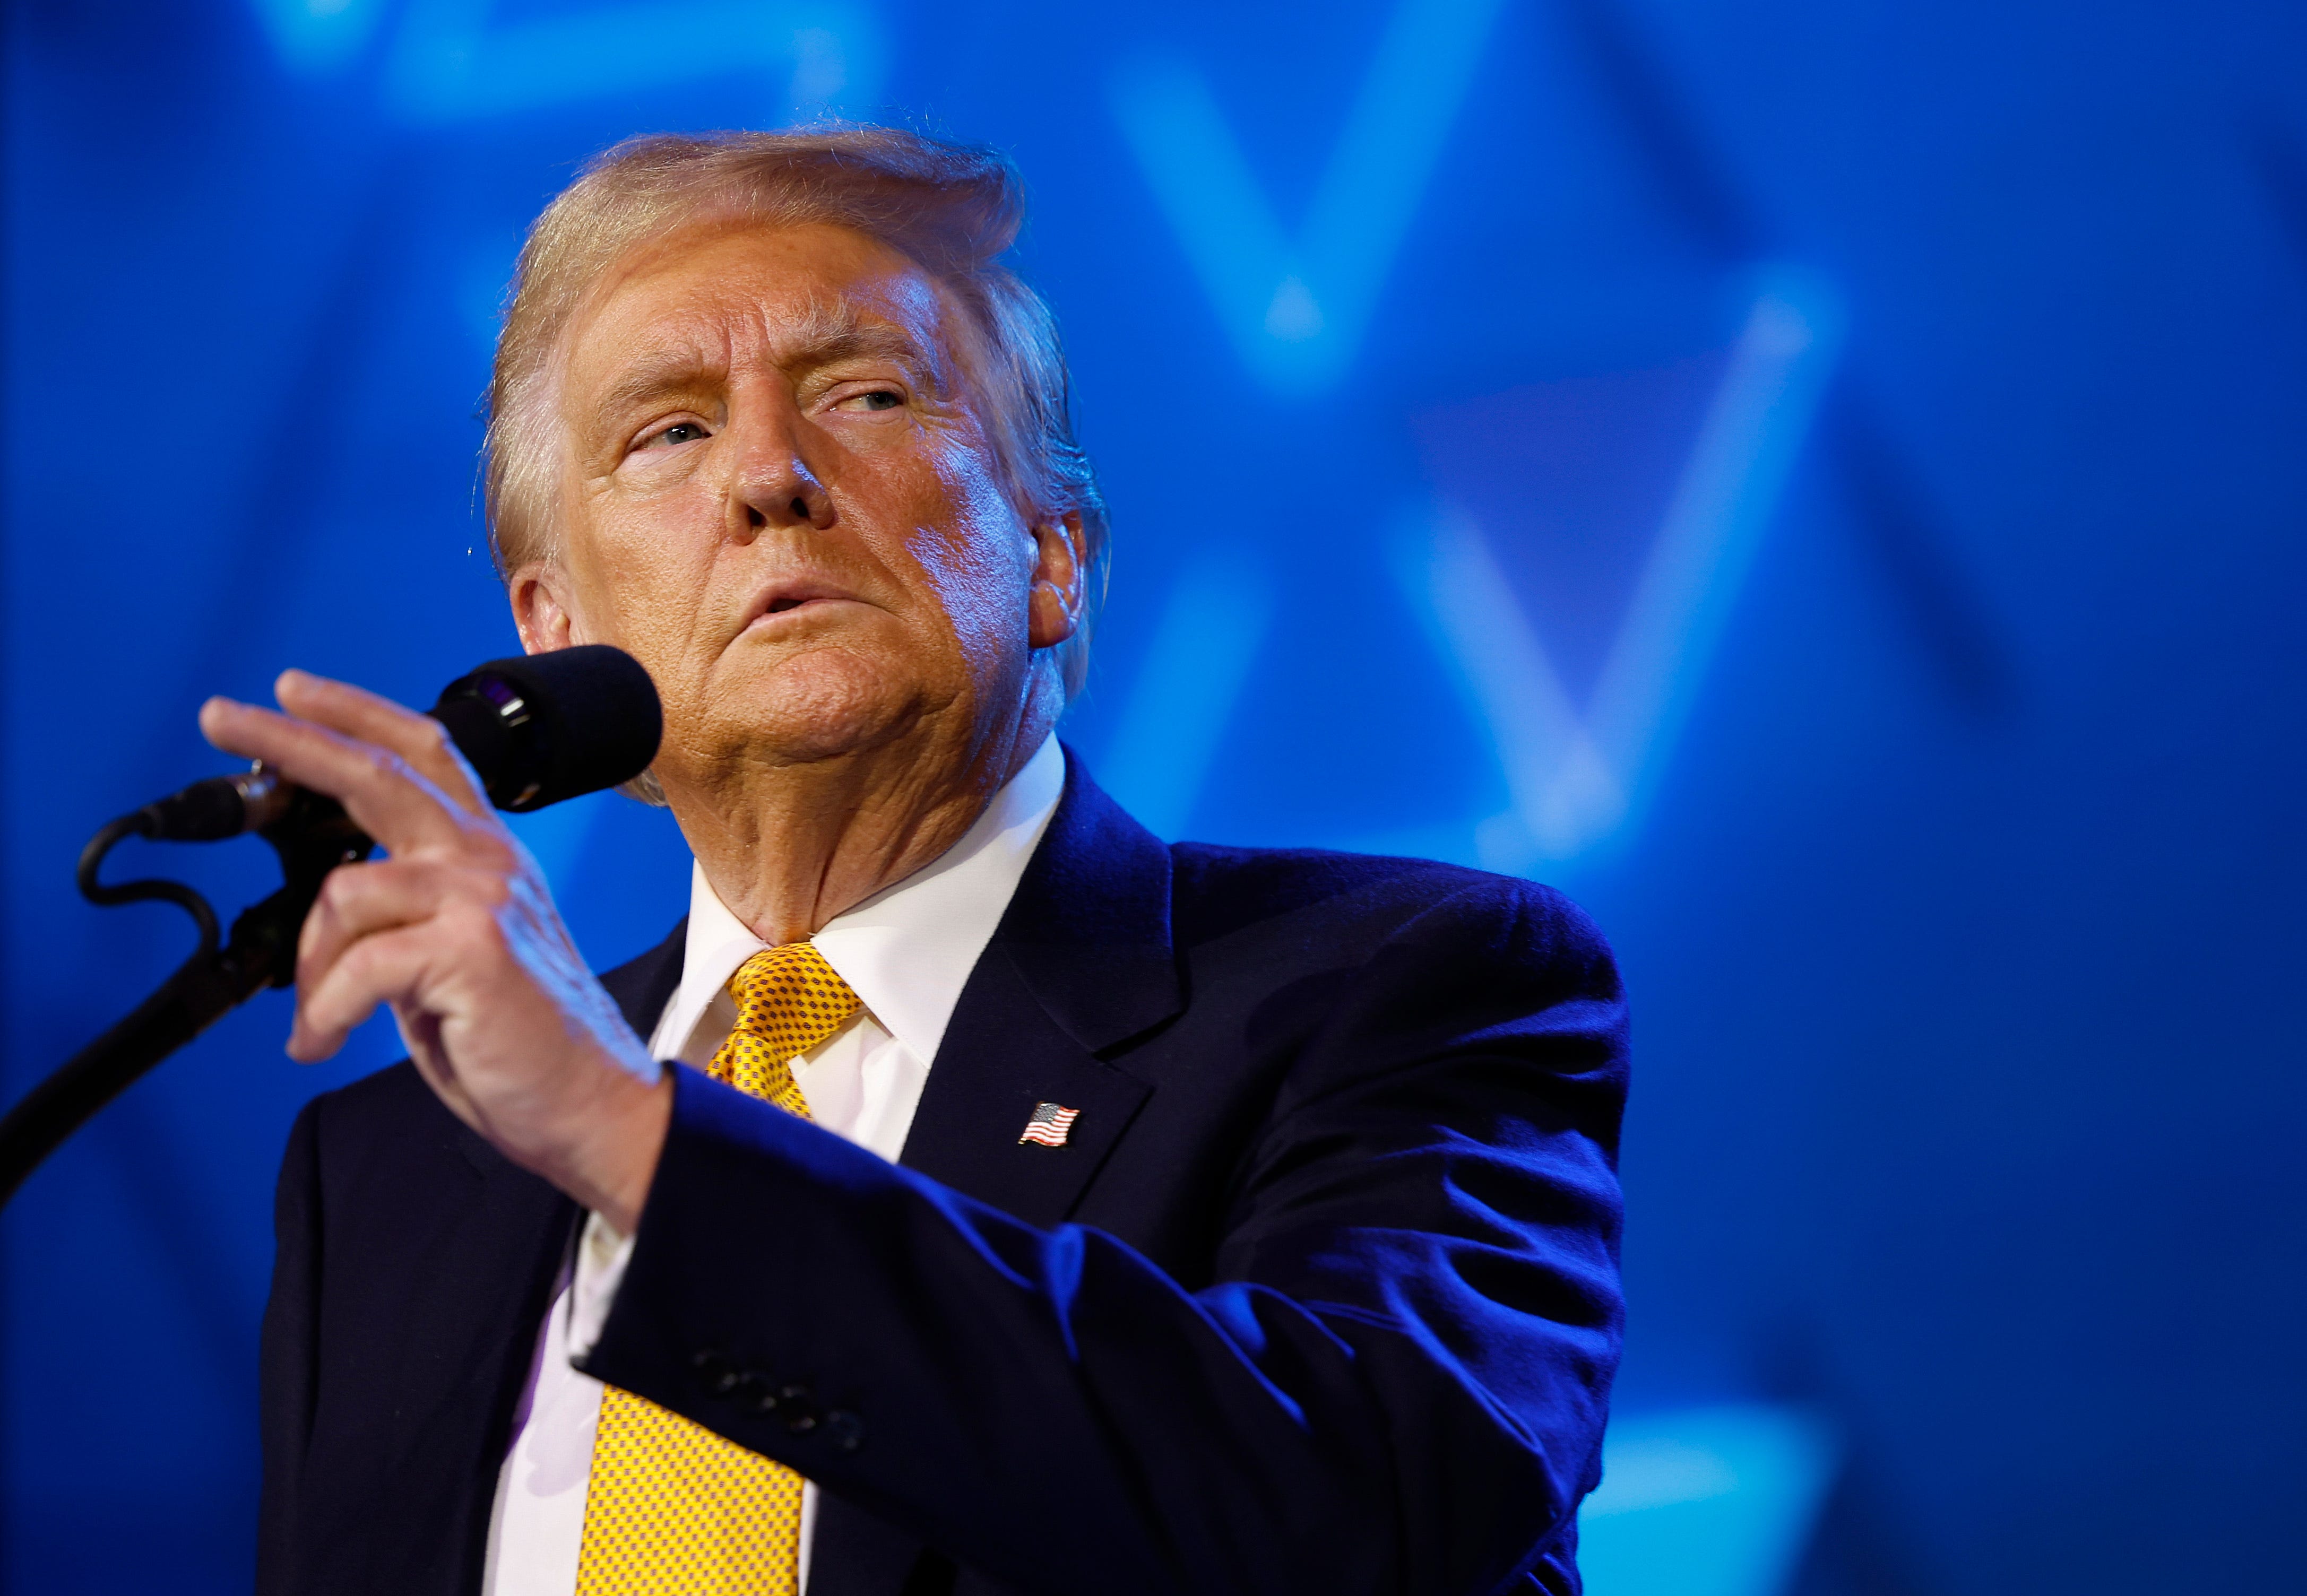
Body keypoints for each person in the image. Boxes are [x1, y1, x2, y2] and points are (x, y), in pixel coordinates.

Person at [211, 127, 1629, 1596]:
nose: (767, 472)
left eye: (867, 393)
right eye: (670, 434)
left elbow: (1370, 1513)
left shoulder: (1402, 990)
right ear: (556, 635)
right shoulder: (387, 1175)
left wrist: (640, 1144)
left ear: (1051, 553)